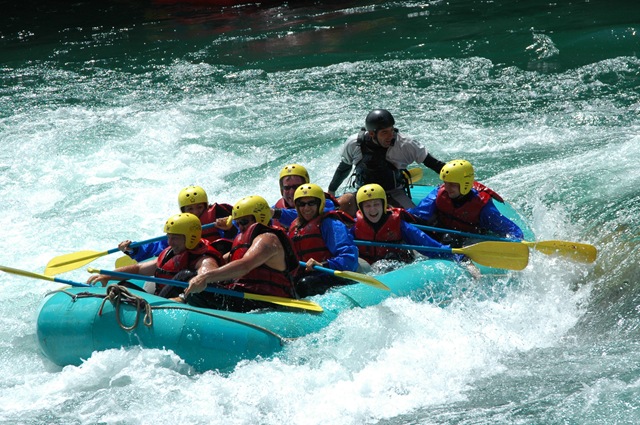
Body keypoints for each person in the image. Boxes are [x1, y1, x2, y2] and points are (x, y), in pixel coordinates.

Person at [184, 195, 299, 312]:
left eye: (244, 222)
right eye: (237, 223)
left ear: (261, 217)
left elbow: (245, 265)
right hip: (246, 295)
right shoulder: (245, 240)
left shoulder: (268, 239)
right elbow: (223, 260)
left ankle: (182, 300)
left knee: (198, 293)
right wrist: (202, 261)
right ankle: (174, 299)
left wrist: (205, 277)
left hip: (268, 301)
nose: (241, 227)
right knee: (186, 276)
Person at [327, 109, 446, 215]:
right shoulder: (354, 143)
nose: (390, 136)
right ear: (372, 133)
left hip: (393, 192)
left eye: (392, 130)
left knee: (413, 218)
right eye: (384, 132)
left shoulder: (405, 144)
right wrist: (331, 192)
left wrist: (453, 180)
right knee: (342, 204)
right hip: (362, 192)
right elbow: (344, 168)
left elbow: (433, 163)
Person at [87, 213, 222, 299]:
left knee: (186, 274)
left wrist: (183, 296)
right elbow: (139, 269)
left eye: (174, 238)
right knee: (122, 287)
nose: (169, 242)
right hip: (161, 297)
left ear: (190, 238)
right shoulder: (171, 252)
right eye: (169, 237)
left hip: (181, 302)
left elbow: (208, 274)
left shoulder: (205, 258)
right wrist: (107, 276)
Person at [408, 159, 524, 247]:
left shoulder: (483, 208)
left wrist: (515, 243)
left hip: (470, 239)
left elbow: (512, 231)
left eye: (452, 184)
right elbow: (416, 216)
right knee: (447, 237)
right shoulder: (438, 195)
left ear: (465, 185)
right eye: (446, 183)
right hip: (443, 235)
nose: (447, 188)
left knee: (452, 239)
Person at [119, 185, 236, 262]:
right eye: (190, 209)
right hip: (189, 264)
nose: (195, 212)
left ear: (206, 206)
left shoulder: (220, 219)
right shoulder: (180, 225)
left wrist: (229, 229)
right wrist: (133, 248)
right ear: (183, 211)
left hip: (217, 261)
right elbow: (156, 247)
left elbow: (241, 237)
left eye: (199, 207)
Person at [352, 184, 454, 266]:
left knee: (390, 259)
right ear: (361, 208)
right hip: (368, 269)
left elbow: (427, 243)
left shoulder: (398, 224)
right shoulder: (354, 226)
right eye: (367, 206)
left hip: (396, 266)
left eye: (376, 204)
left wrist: (455, 255)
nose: (372, 209)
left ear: (383, 205)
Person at [288, 183, 359, 298]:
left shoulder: (331, 224)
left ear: (320, 204)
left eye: (311, 203)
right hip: (306, 275)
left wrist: (323, 264)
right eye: (302, 204)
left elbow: (349, 258)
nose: (306, 208)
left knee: (305, 284)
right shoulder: (295, 227)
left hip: (330, 274)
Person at [272, 163, 340, 230]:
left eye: (296, 187)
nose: (292, 192)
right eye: (287, 188)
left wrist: (277, 213)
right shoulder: (274, 209)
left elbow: (308, 215)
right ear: (281, 190)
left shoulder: (322, 203)